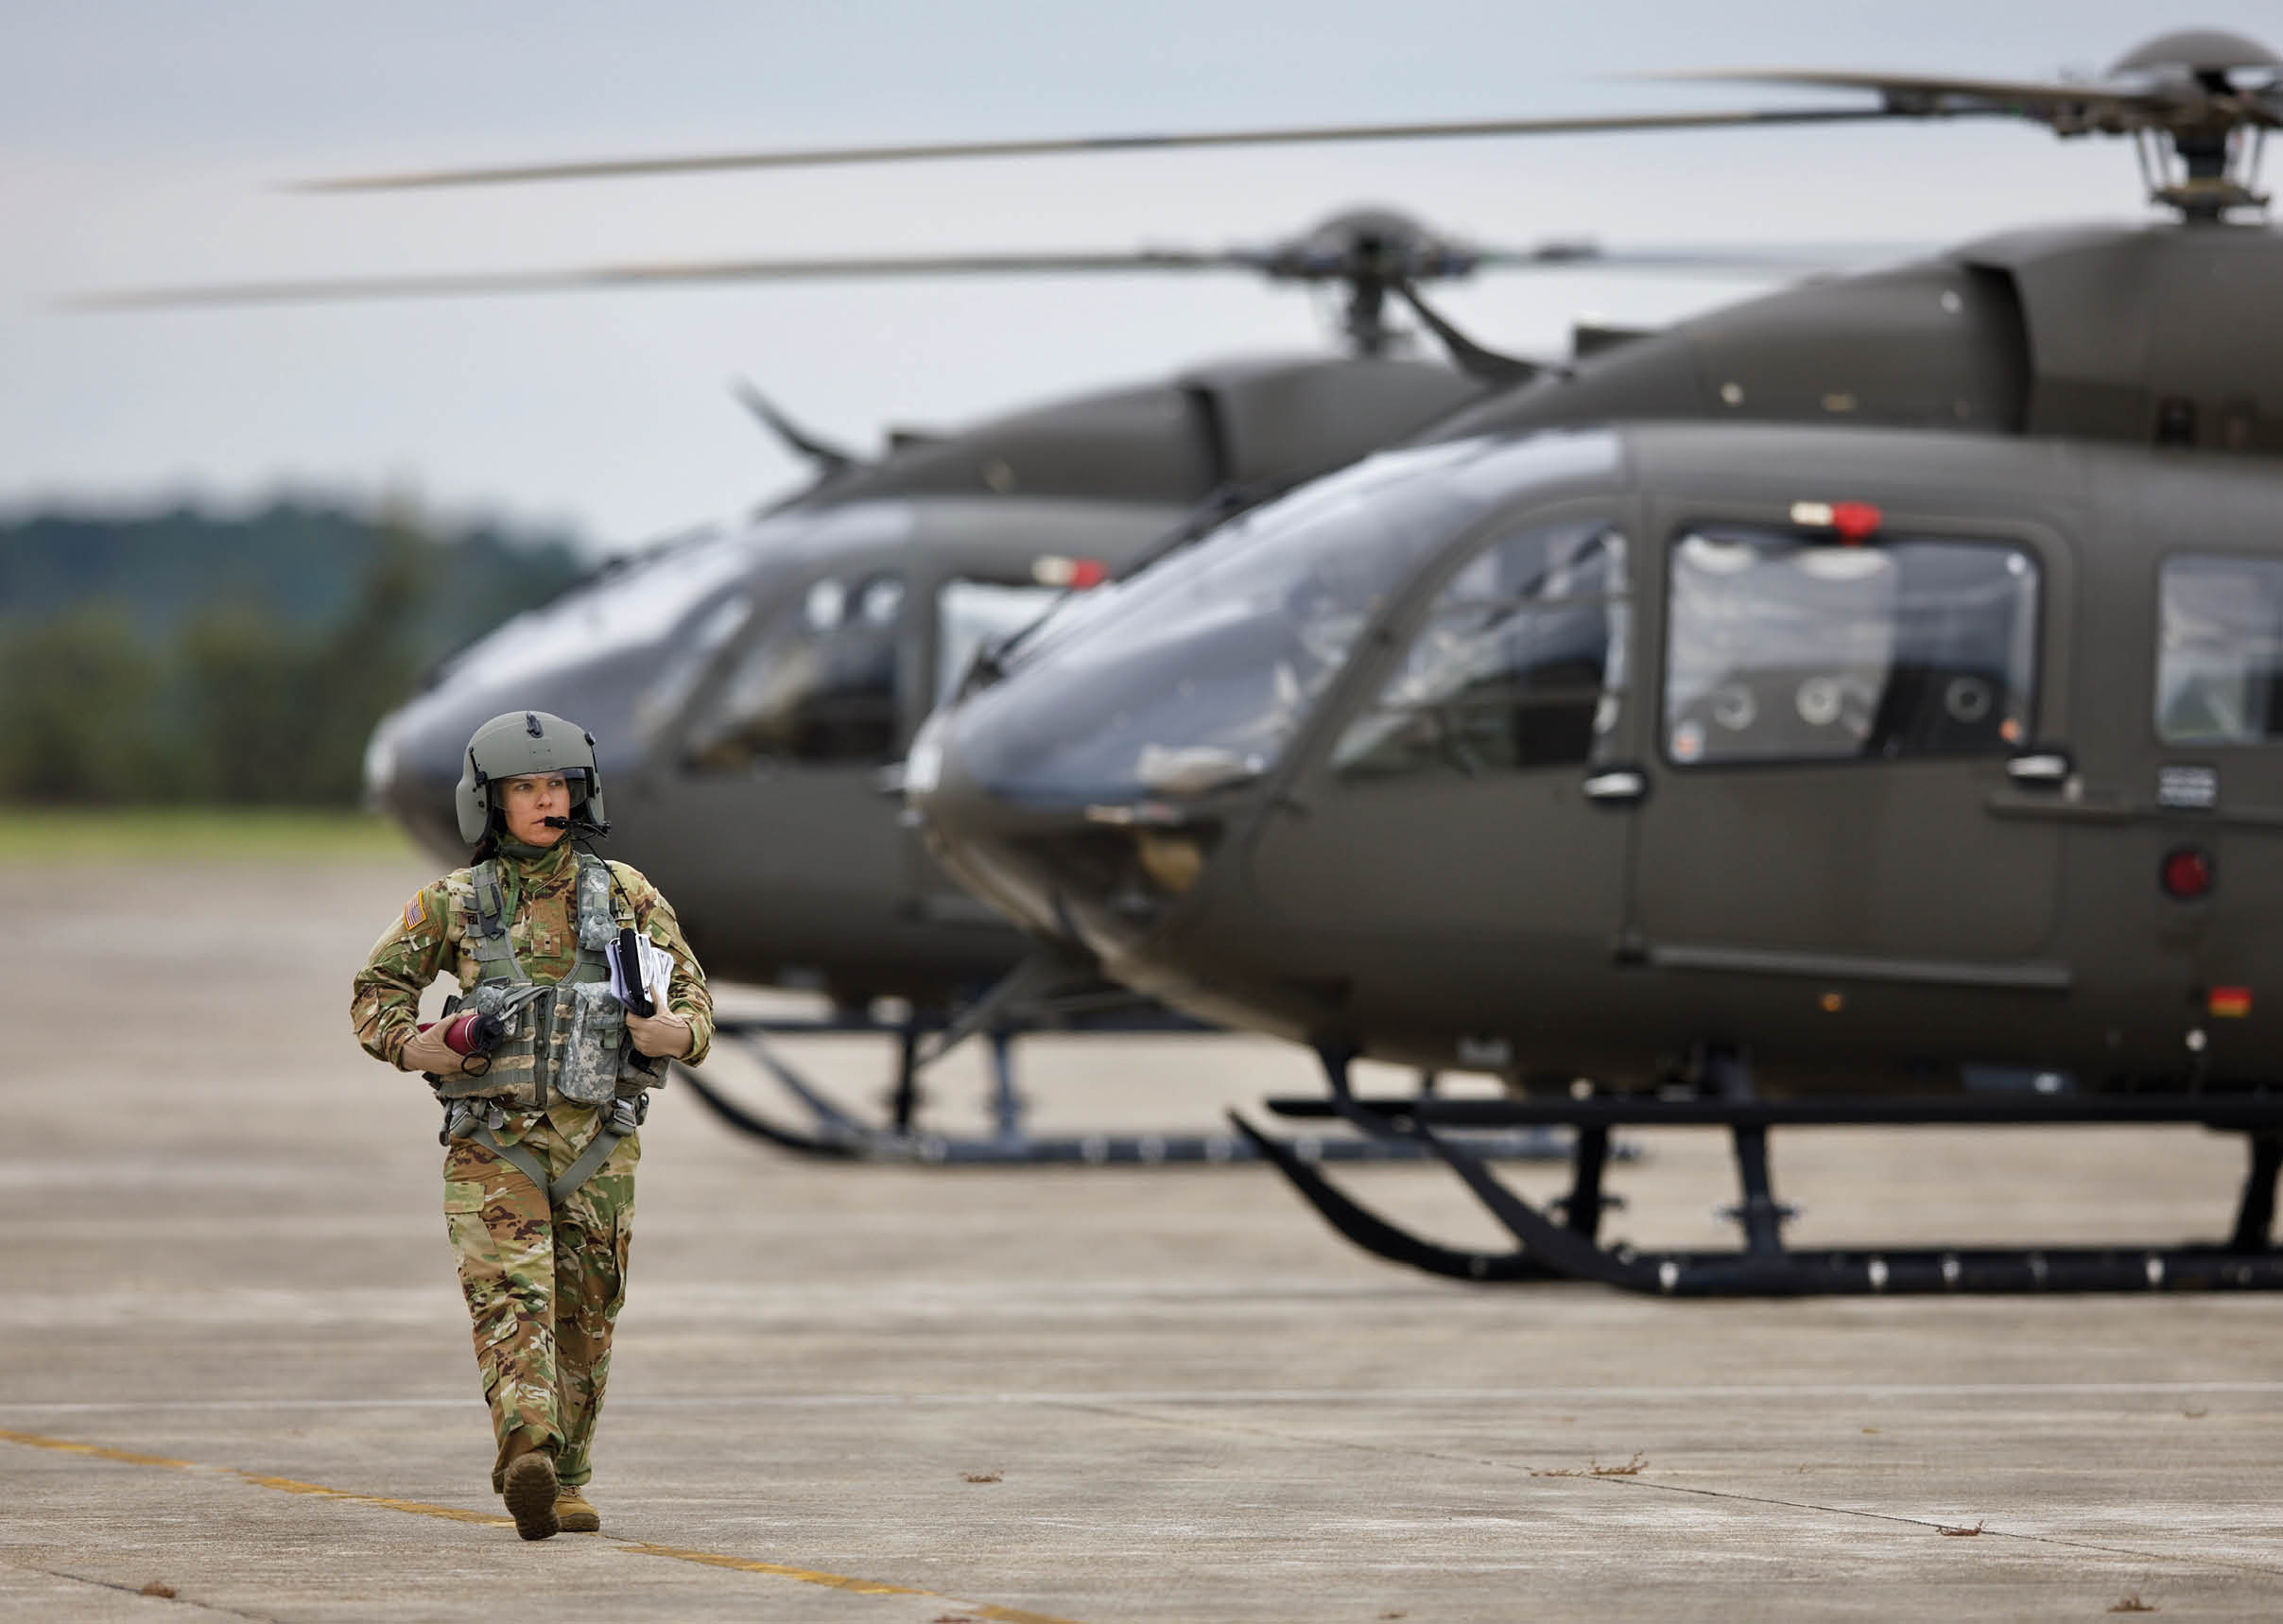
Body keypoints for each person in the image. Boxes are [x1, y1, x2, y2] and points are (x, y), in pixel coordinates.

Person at [350, 710, 713, 1540]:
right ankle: (528, 1457)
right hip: (492, 1144)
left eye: (556, 785)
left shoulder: (626, 895)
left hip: (601, 1144)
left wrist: (676, 1034)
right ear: (489, 802)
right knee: (511, 1304)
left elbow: (692, 995)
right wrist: (420, 1048)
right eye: (525, 789)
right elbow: (375, 995)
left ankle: (570, 1479)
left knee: (588, 1314)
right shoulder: (454, 903)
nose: (546, 800)